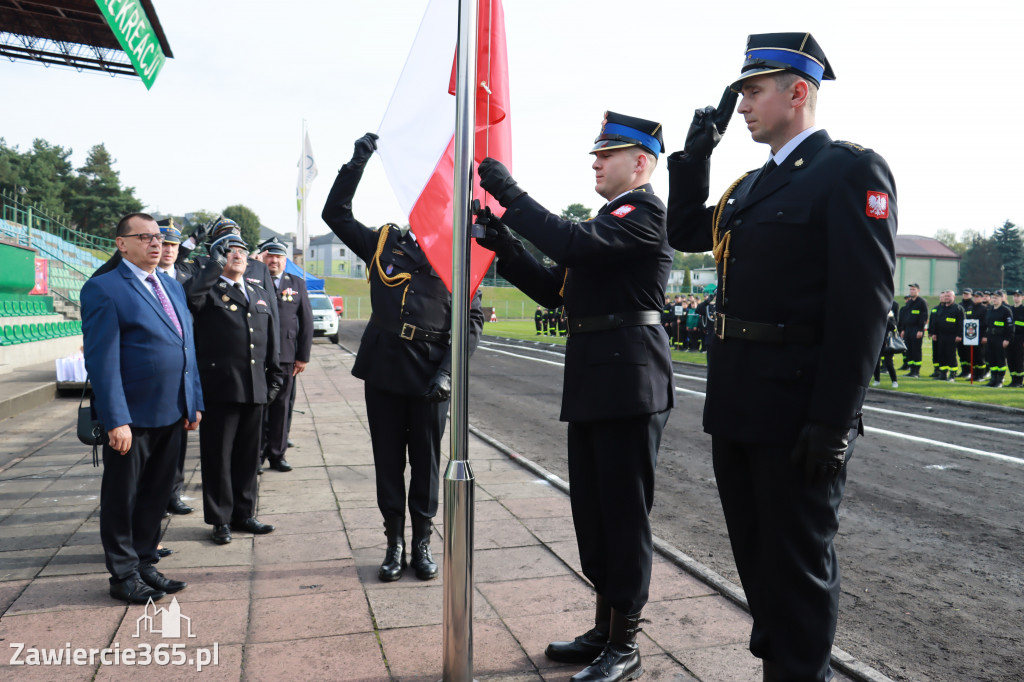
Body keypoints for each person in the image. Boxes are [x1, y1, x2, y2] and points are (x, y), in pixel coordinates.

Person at [665, 33, 897, 681]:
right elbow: (684, 231)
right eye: (741, 91)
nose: (741, 105)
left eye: (753, 90)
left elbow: (863, 307)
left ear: (798, 92)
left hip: (798, 413)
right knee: (761, 571)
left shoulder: (850, 171)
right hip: (739, 404)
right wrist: (694, 156)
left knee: (797, 572)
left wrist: (832, 421)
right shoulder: (748, 186)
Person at [476, 110, 675, 682]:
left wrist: (511, 195)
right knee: (593, 511)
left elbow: (567, 240)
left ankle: (626, 643)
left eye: (605, 154)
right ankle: (604, 630)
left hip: (629, 383)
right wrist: (503, 244)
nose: (595, 162)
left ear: (639, 163)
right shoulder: (607, 219)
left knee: (624, 515)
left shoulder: (644, 213)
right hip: (596, 378)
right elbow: (551, 289)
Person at [322, 133, 484, 583]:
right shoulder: (383, 244)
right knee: (388, 459)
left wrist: (449, 373)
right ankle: (393, 543)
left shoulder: (459, 255)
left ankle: (422, 542)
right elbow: (335, 214)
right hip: (387, 367)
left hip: (433, 374)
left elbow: (470, 322)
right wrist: (355, 163)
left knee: (428, 462)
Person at [81, 213, 202, 604]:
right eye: (145, 237)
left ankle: (146, 562)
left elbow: (187, 348)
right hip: (132, 417)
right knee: (123, 496)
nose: (156, 243)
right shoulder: (105, 289)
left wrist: (193, 400)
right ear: (122, 244)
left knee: (156, 493)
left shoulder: (171, 286)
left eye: (159, 237)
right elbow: (102, 361)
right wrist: (116, 419)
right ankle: (123, 574)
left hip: (171, 411)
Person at [186, 234, 284, 545]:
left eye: (241, 250)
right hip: (221, 388)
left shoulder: (257, 291)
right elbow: (190, 300)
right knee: (218, 457)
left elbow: (271, 335)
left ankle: (245, 513)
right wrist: (212, 267)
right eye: (229, 251)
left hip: (255, 387)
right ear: (218, 257)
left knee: (247, 457)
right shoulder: (208, 291)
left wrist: (275, 377)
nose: (237, 255)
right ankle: (220, 519)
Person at [260, 238, 313, 472]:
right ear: (263, 257)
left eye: (278, 256)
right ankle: (256, 455)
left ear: (285, 260)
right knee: (259, 408)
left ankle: (277, 455)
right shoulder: (253, 280)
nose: (274, 260)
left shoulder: (297, 283)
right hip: (259, 357)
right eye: (270, 255)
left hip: (286, 356)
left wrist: (303, 356)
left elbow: (306, 322)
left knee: (281, 407)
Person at [981, 290, 1013, 388]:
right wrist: (985, 336)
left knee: (1000, 360)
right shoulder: (990, 310)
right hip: (990, 338)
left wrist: (1007, 339)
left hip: (1000, 338)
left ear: (1001, 298)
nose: (994, 299)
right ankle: (993, 379)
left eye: (997, 298)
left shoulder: (1006, 310)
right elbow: (986, 325)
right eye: (993, 298)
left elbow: (1010, 326)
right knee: (991, 359)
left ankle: (1000, 380)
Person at [929, 290, 963, 382]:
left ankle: (952, 374)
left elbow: (961, 323)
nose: (947, 298)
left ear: (954, 297)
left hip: (952, 336)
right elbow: (936, 322)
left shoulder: (958, 308)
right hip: (941, 336)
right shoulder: (941, 309)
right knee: (941, 354)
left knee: (951, 355)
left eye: (949, 296)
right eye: (946, 296)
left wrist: (959, 335)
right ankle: (943, 373)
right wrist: (934, 333)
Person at [899, 284, 928, 377]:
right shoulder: (909, 303)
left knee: (916, 350)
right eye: (910, 289)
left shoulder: (922, 302)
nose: (911, 291)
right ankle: (911, 369)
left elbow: (924, 316)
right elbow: (905, 317)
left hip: (916, 329)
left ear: (918, 291)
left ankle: (916, 371)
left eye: (913, 289)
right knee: (909, 350)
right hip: (908, 329)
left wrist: (921, 329)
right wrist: (903, 329)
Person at [873, 301, 900, 388]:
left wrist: (887, 318)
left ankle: (894, 381)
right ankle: (877, 380)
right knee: (876, 363)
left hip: (888, 343)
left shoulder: (890, 317)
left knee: (889, 363)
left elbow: (893, 328)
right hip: (878, 342)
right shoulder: (877, 316)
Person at [969, 290, 989, 381]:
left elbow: (986, 323)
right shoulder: (970, 308)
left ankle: (981, 375)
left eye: (977, 297)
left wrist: (985, 336)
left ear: (981, 298)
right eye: (974, 296)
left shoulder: (984, 309)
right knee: (973, 356)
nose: (975, 298)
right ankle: (974, 374)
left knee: (980, 356)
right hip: (971, 335)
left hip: (980, 335)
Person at [957, 288, 975, 377]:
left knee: (969, 353)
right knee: (962, 352)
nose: (965, 295)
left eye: (967, 294)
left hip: (970, 333)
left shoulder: (973, 305)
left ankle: (970, 371)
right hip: (961, 332)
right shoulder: (960, 305)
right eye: (964, 293)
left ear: (971, 295)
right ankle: (964, 370)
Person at [1009, 290, 1024, 387]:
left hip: (1020, 339)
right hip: (1011, 338)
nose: (1016, 298)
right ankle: (1013, 380)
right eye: (1014, 296)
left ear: (1022, 297)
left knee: (1019, 360)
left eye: (1018, 296)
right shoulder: (1010, 309)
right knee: (1011, 360)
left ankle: (1019, 381)